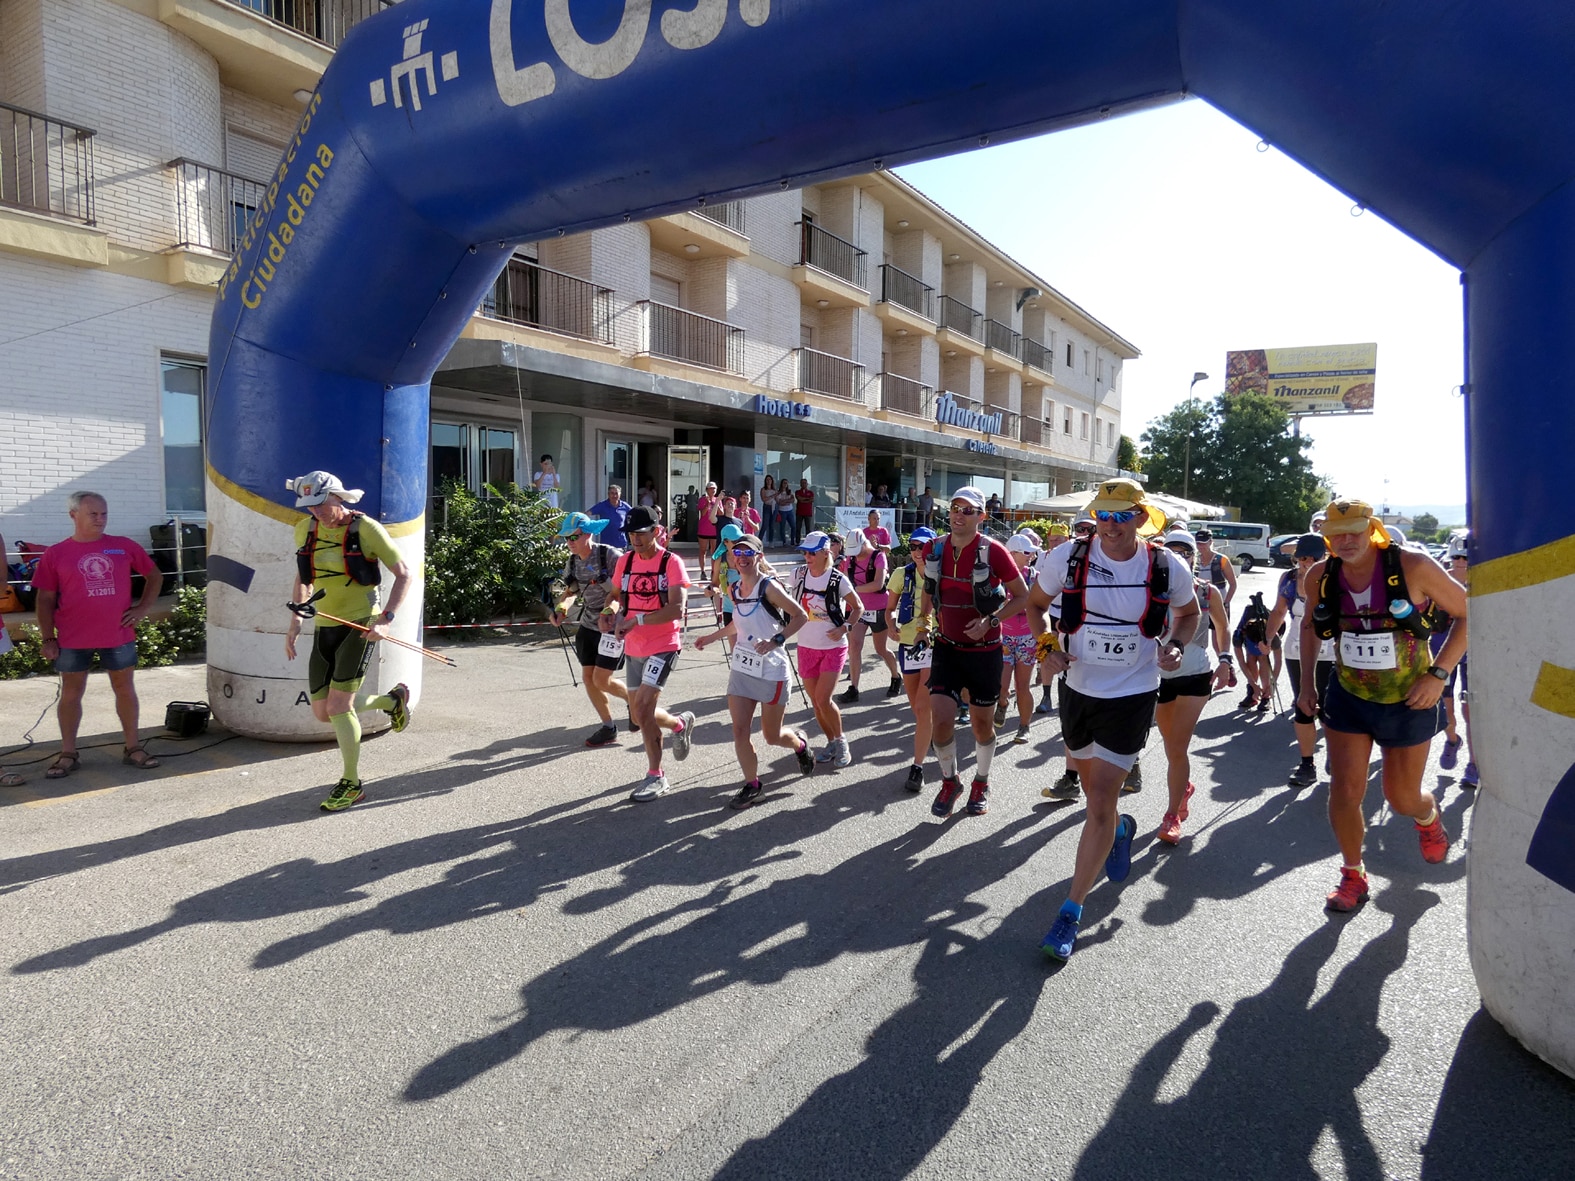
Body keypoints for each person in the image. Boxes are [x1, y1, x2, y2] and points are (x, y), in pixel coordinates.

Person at [1026, 478, 1199, 960]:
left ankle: (1070, 912)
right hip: (1078, 690)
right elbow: (1036, 608)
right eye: (1102, 515)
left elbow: (1188, 615)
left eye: (1120, 516)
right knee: (1091, 791)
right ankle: (1120, 828)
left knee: (1098, 799)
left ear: (1141, 518)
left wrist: (1177, 646)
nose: (1109, 525)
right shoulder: (1068, 558)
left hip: (1134, 693)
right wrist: (1047, 648)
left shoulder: (1167, 565)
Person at [1299, 499, 1468, 913]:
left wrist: (1439, 674)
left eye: (1355, 530)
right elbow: (1310, 626)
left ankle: (1428, 817)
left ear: (1372, 528)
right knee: (1345, 789)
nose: (1346, 540)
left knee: (1402, 798)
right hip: (1350, 696)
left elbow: (1471, 613)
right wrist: (1307, 684)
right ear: (1326, 537)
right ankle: (1352, 874)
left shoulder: (1413, 566)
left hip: (1410, 698)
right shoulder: (1320, 575)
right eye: (1337, 534)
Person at [283, 472, 413, 811]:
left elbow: (404, 573)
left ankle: (352, 782)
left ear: (337, 497)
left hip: (360, 622)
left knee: (339, 707)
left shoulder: (365, 529)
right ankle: (391, 702)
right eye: (309, 506)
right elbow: (302, 576)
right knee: (323, 712)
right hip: (324, 624)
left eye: (321, 504)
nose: (317, 512)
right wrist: (296, 618)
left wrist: (385, 619)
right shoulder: (305, 529)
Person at [916, 486, 1032, 818]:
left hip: (984, 651)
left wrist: (990, 621)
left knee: (982, 725)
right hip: (947, 648)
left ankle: (981, 780)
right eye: (955, 507)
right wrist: (924, 622)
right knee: (940, 721)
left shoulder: (993, 551)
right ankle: (950, 781)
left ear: (981, 516)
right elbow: (929, 591)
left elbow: (1022, 597)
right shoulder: (934, 548)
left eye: (968, 510)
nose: (959, 515)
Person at [32, 491, 165, 780]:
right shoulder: (56, 553)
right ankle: (68, 753)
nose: (100, 519)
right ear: (73, 515)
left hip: (118, 635)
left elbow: (154, 576)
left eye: (104, 513)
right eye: (93, 514)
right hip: (71, 637)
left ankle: (133, 747)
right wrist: (47, 638)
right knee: (70, 694)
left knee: (125, 689)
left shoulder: (122, 546)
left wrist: (142, 608)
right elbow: (44, 599)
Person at [693, 533, 816, 807]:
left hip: (772, 670)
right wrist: (711, 637)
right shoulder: (734, 590)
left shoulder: (769, 587)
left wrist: (777, 641)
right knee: (739, 731)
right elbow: (739, 624)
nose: (742, 558)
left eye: (748, 553)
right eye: (738, 554)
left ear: (759, 557)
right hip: (742, 668)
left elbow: (800, 616)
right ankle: (753, 785)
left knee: (772, 736)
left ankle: (799, 745)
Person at [601, 506, 696, 801]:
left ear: (655, 531)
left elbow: (676, 608)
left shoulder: (671, 562)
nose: (634, 539)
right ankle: (680, 724)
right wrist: (609, 611)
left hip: (664, 644)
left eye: (640, 533)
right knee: (639, 712)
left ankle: (656, 776)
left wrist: (636, 620)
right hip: (633, 646)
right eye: (630, 534)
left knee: (641, 709)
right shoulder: (626, 561)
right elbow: (616, 596)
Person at [1153, 529, 1232, 844]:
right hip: (1158, 677)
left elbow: (1224, 627)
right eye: (1172, 550)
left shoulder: (1205, 591)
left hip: (1196, 675)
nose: (1179, 556)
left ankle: (1172, 816)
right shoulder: (1150, 589)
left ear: (1193, 557)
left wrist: (1225, 660)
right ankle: (1183, 788)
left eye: (1185, 551)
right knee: (1171, 747)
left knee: (1177, 746)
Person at [551, 512, 630, 746]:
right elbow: (571, 592)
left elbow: (625, 593)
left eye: (573, 537)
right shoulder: (573, 561)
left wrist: (610, 612)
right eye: (566, 539)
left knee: (602, 680)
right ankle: (609, 727)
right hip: (588, 625)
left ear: (588, 534)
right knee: (589, 679)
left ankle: (633, 701)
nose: (569, 543)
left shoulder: (610, 555)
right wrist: (562, 609)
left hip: (612, 625)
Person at [1264, 533, 1337, 787]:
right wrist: (1267, 638)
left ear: (1324, 556)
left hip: (1331, 653)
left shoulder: (1335, 578)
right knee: (1303, 705)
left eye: (1313, 557)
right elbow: (1279, 610)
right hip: (1297, 651)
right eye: (1302, 557)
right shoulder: (1288, 580)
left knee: (1331, 711)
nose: (1307, 562)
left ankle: (1336, 756)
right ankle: (1307, 764)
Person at [791, 531, 863, 767]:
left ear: (826, 553)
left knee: (824, 699)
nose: (807, 556)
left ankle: (841, 741)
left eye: (812, 552)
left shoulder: (838, 579)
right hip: (805, 646)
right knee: (815, 701)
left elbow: (858, 607)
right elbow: (777, 593)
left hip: (833, 647)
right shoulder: (798, 574)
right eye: (805, 552)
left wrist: (845, 628)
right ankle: (831, 741)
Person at [886, 526, 939, 791]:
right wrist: (891, 625)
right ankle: (927, 732)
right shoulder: (900, 573)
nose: (918, 552)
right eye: (914, 547)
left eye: (924, 547)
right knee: (916, 708)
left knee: (922, 707)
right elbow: (889, 608)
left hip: (934, 644)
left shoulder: (940, 574)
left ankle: (917, 767)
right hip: (907, 645)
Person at [1433, 533, 1476, 786]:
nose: (1460, 562)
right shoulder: (1439, 579)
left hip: (1475, 654)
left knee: (1470, 710)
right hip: (1443, 652)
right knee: (1445, 708)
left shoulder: (1486, 582)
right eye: (1457, 557)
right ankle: (1452, 740)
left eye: (1466, 558)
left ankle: (1473, 764)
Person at [837, 529, 899, 703]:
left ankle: (895, 676)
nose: (854, 555)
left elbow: (878, 584)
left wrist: (853, 590)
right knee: (854, 646)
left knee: (881, 649)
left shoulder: (878, 556)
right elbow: (846, 580)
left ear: (864, 543)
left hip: (879, 608)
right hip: (857, 609)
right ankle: (854, 688)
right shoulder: (850, 558)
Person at [996, 534, 1042, 743]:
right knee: (1001, 687)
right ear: (1011, 554)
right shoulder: (997, 577)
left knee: (1023, 686)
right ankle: (1003, 703)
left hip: (1026, 638)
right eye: (1026, 552)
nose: (1031, 555)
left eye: (1032, 551)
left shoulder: (1034, 576)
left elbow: (1043, 607)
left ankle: (1024, 726)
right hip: (1003, 638)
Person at [589, 484, 632, 548]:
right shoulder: (602, 505)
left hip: (621, 544)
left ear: (620, 494)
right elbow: (587, 513)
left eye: (616, 493)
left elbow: (634, 514)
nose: (614, 495)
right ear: (608, 494)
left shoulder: (625, 506)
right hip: (606, 544)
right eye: (612, 493)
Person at [696, 480, 721, 552]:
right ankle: (702, 564)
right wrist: (707, 504)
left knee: (714, 550)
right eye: (711, 488)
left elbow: (721, 513)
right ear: (707, 490)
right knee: (703, 550)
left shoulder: (718, 500)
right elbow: (702, 514)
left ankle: (713, 564)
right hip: (703, 529)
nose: (713, 490)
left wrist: (716, 503)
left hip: (714, 529)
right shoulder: (702, 500)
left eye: (714, 488)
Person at [773, 478, 796, 547]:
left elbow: (793, 500)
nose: (785, 484)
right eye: (784, 483)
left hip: (790, 510)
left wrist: (785, 501)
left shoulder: (790, 491)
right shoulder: (778, 492)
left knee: (793, 526)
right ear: (781, 484)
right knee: (782, 527)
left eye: (786, 483)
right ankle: (784, 541)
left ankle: (792, 541)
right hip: (782, 511)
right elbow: (779, 502)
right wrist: (787, 500)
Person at [794, 478, 816, 543]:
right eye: (802, 483)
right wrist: (807, 499)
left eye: (805, 483)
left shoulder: (810, 492)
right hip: (799, 512)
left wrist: (804, 499)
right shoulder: (797, 492)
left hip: (808, 512)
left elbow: (811, 500)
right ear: (800, 484)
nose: (804, 484)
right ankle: (797, 542)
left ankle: (808, 542)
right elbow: (799, 499)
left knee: (808, 528)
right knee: (798, 528)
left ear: (807, 484)